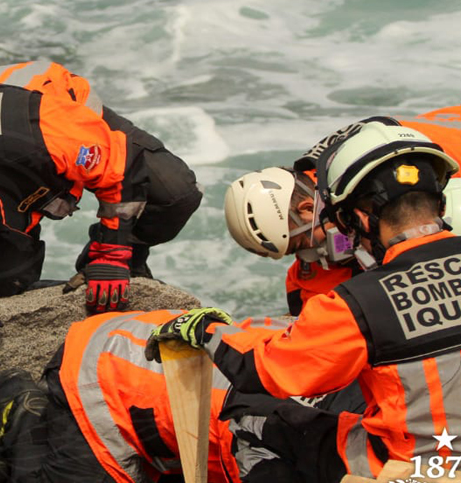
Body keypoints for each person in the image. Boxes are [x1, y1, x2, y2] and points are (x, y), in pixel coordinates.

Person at [149, 122, 461, 481]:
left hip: (421, 464)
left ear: (359, 216)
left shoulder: (359, 303)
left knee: (250, 416)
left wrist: (206, 330)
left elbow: (266, 369)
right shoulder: (332, 287)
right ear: (439, 200)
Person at [0, 61, 203, 347]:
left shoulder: (47, 135)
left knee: (173, 194)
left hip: (42, 103)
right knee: (7, 280)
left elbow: (118, 166)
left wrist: (112, 250)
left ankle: (129, 266)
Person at [0, 309, 365, 483]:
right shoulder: (272, 444)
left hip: (153, 358)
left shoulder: (350, 365)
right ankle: (19, 409)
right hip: (103, 384)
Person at [224, 111, 461, 315]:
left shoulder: (409, 164)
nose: (308, 256)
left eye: (300, 245)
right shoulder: (317, 257)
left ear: (307, 209)